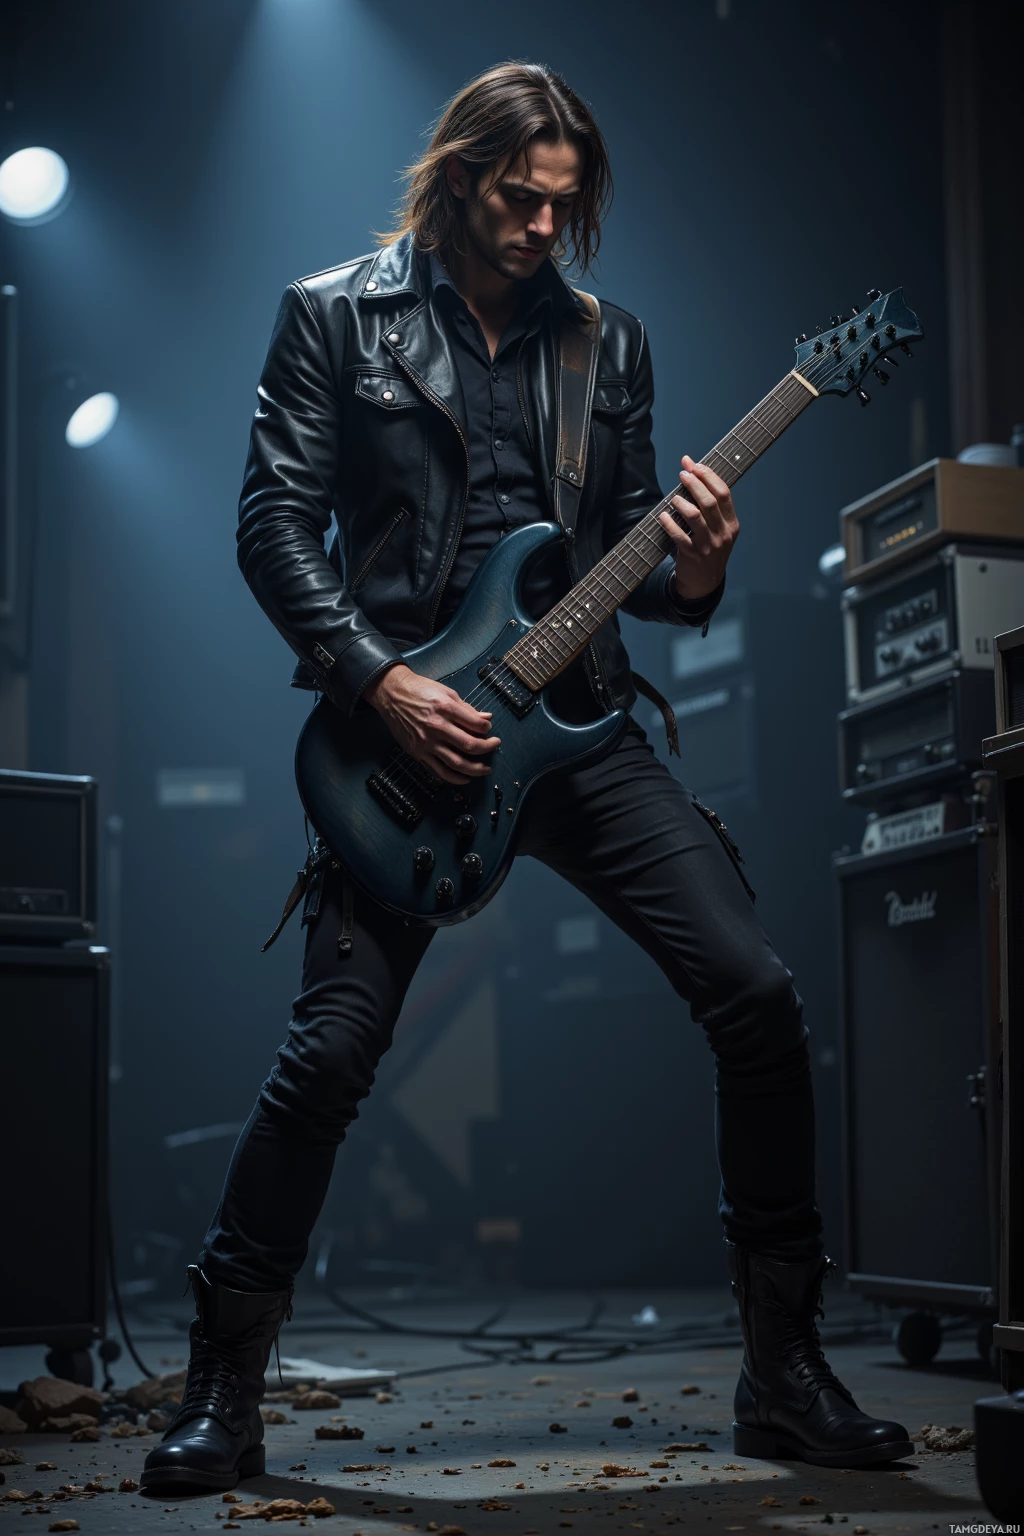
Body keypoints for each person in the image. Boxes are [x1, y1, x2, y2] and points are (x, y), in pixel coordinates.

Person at [141, 61, 912, 1494]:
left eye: (567, 206)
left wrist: (699, 569)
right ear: (459, 177)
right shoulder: (334, 314)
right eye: (520, 197)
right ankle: (223, 1390)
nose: (544, 229)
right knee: (330, 1056)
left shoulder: (607, 349)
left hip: (581, 727)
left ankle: (785, 1374)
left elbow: (634, 561)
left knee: (757, 995)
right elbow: (269, 531)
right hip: (403, 739)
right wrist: (381, 677)